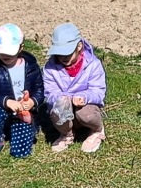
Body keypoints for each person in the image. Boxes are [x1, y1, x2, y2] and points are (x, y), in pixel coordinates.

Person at [0, 23, 44, 160]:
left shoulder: (31, 67)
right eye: (1, 51)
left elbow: (40, 90)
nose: (4, 55)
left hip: (24, 112)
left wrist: (33, 101)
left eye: (10, 51)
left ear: (21, 47)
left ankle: (28, 127)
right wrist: (6, 101)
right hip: (3, 109)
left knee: (20, 153)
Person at [43, 22, 107, 154]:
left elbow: (98, 91)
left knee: (85, 113)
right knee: (59, 109)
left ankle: (96, 131)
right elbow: (49, 92)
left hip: (84, 107)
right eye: (59, 53)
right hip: (64, 107)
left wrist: (84, 96)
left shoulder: (93, 64)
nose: (63, 57)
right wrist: (62, 98)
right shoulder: (50, 68)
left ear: (79, 46)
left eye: (67, 52)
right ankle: (66, 134)